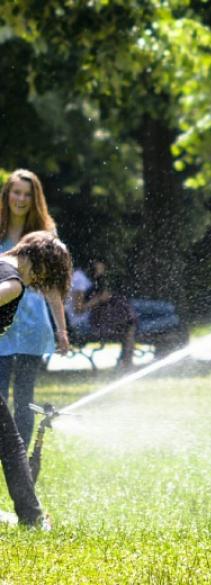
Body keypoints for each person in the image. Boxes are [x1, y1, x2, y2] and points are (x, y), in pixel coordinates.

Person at [0, 230, 72, 528]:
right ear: (37, 263)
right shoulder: (14, 283)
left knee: (9, 440)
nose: (39, 283)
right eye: (45, 275)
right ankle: (32, 518)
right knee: (11, 443)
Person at [0, 170, 69, 447]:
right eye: (16, 192)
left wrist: (61, 329)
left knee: (24, 399)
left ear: (35, 198)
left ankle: (18, 457)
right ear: (7, 195)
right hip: (3, 317)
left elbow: (52, 285)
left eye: (28, 194)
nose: (21, 199)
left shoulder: (43, 234)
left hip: (31, 324)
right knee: (0, 394)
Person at [65, 259, 137, 368]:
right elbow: (78, 309)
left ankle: (125, 360)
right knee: (129, 322)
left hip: (94, 318)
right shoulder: (79, 279)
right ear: (93, 263)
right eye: (101, 264)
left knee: (128, 317)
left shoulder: (85, 277)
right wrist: (99, 299)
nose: (103, 268)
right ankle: (126, 362)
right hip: (83, 323)